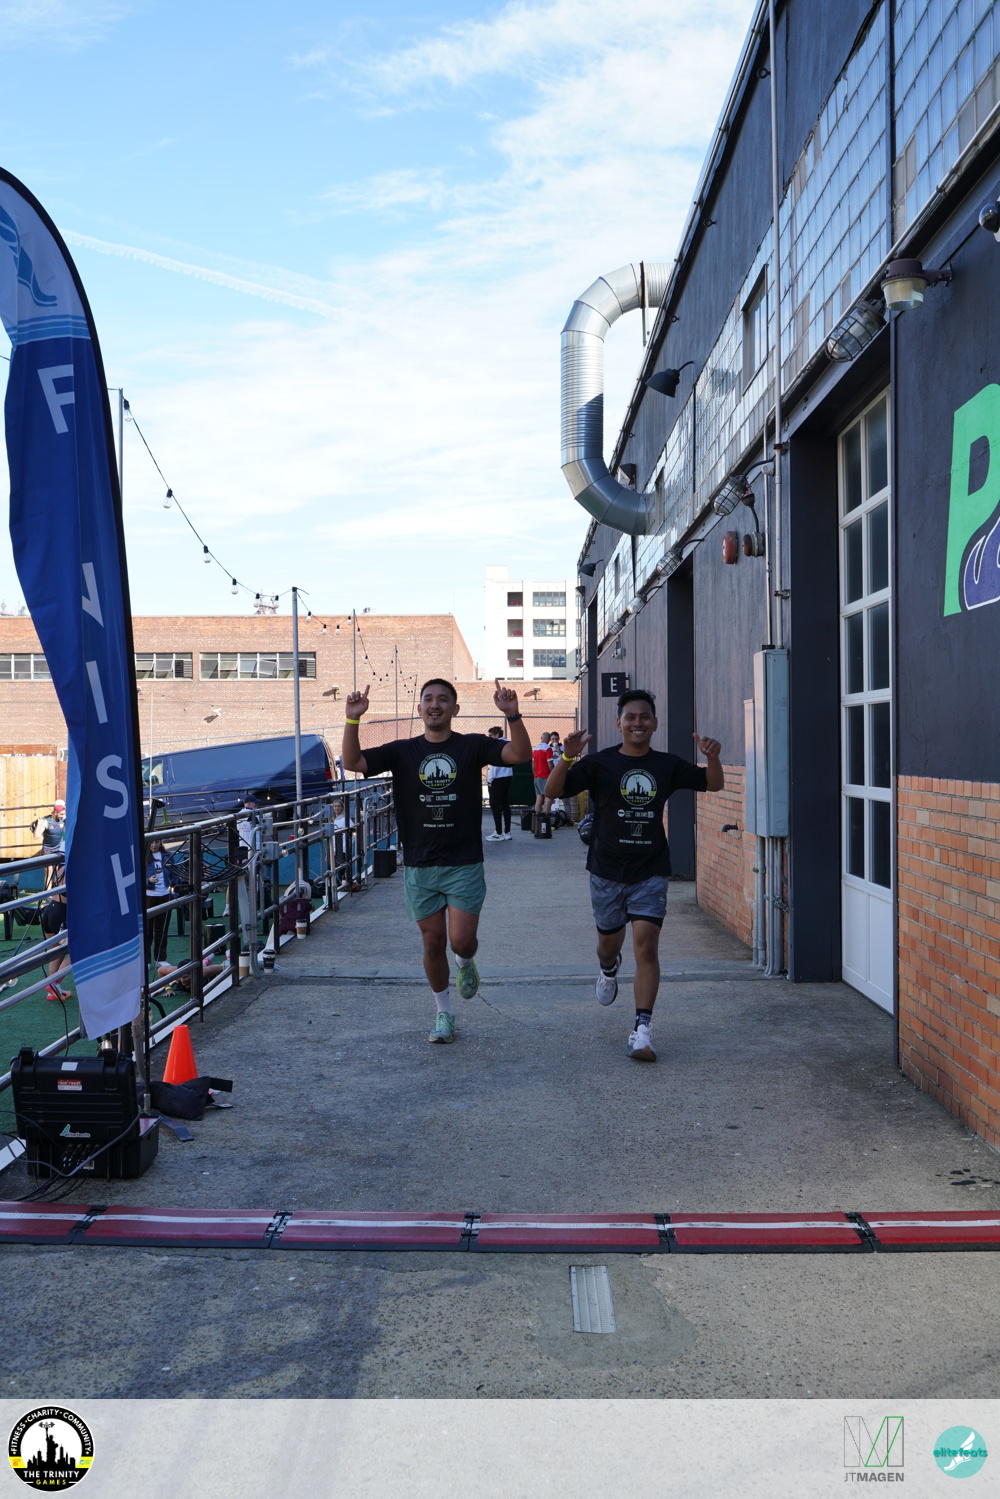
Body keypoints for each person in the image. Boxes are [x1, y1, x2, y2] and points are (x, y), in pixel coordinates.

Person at [341, 677, 531, 1043]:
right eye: (428, 699)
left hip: (464, 862)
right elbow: (354, 761)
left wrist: (513, 714)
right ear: (420, 709)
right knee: (432, 943)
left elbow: (519, 755)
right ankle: (444, 1013)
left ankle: (465, 961)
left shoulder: (472, 745)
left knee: (461, 942)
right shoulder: (402, 751)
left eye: (443, 699)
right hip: (420, 864)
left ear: (454, 709)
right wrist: (353, 719)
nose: (435, 704)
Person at [544, 687, 724, 1063]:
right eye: (631, 717)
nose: (637, 723)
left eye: (644, 717)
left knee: (646, 945)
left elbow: (713, 783)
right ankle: (608, 968)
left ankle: (642, 1030)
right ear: (619, 723)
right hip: (606, 871)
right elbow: (552, 789)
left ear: (655, 723)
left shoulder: (667, 765)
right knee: (609, 945)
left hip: (650, 870)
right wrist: (567, 757)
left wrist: (713, 759)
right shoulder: (600, 763)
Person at [145, 839, 174, 970]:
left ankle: (160, 958)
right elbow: (137, 877)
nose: (154, 845)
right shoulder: (143, 857)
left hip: (165, 894)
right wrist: (148, 881)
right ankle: (146, 960)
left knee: (162, 928)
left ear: (160, 843)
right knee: (147, 929)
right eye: (151, 842)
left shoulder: (167, 856)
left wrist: (174, 892)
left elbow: (175, 874)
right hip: (149, 896)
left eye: (157, 842)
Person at [485, 726, 514, 841]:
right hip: (508, 777)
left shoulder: (496, 745)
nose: (489, 738)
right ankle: (507, 832)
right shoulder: (508, 744)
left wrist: (490, 780)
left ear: (497, 735)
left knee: (494, 805)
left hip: (497, 778)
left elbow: (494, 765)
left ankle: (498, 832)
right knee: (505, 804)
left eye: (491, 735)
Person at [532, 732, 554, 816]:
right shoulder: (548, 748)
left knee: (539, 798)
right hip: (545, 776)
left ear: (541, 738)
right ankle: (546, 817)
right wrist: (553, 773)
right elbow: (550, 763)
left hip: (536, 776)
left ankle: (537, 818)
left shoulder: (535, 749)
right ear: (549, 739)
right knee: (549, 797)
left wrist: (535, 774)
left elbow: (533, 765)